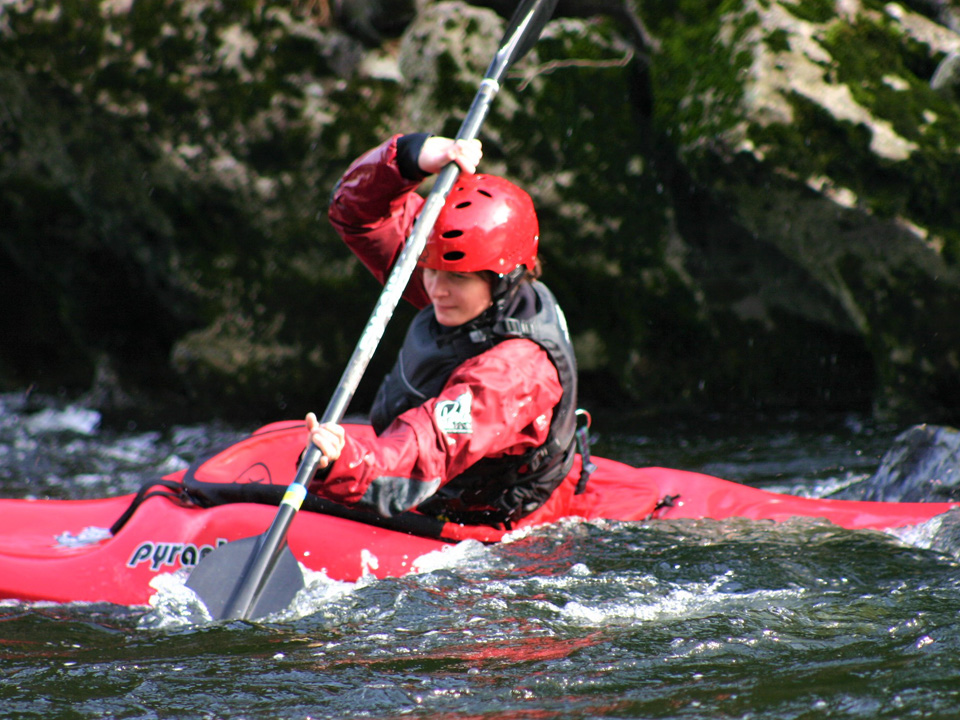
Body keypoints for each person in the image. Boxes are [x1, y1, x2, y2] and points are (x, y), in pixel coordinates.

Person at [304, 133, 580, 527]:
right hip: (435, 471)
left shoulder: (514, 373)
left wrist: (344, 465)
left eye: (457, 279)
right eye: (428, 269)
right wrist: (411, 158)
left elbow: (431, 445)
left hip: (485, 515)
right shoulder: (457, 282)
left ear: (504, 277)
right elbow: (354, 211)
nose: (436, 289)